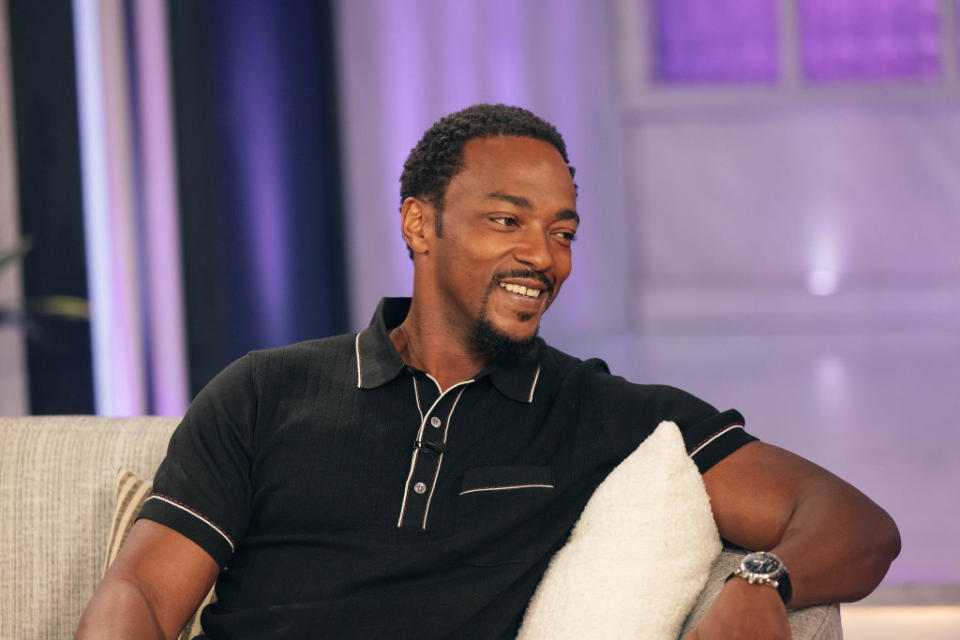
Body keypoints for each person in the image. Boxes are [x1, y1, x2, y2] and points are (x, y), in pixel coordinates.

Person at [76, 104, 900, 640]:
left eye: (564, 231)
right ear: (419, 223)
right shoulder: (265, 392)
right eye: (508, 220)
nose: (542, 256)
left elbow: (852, 523)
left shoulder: (606, 417)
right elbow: (144, 596)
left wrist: (764, 580)